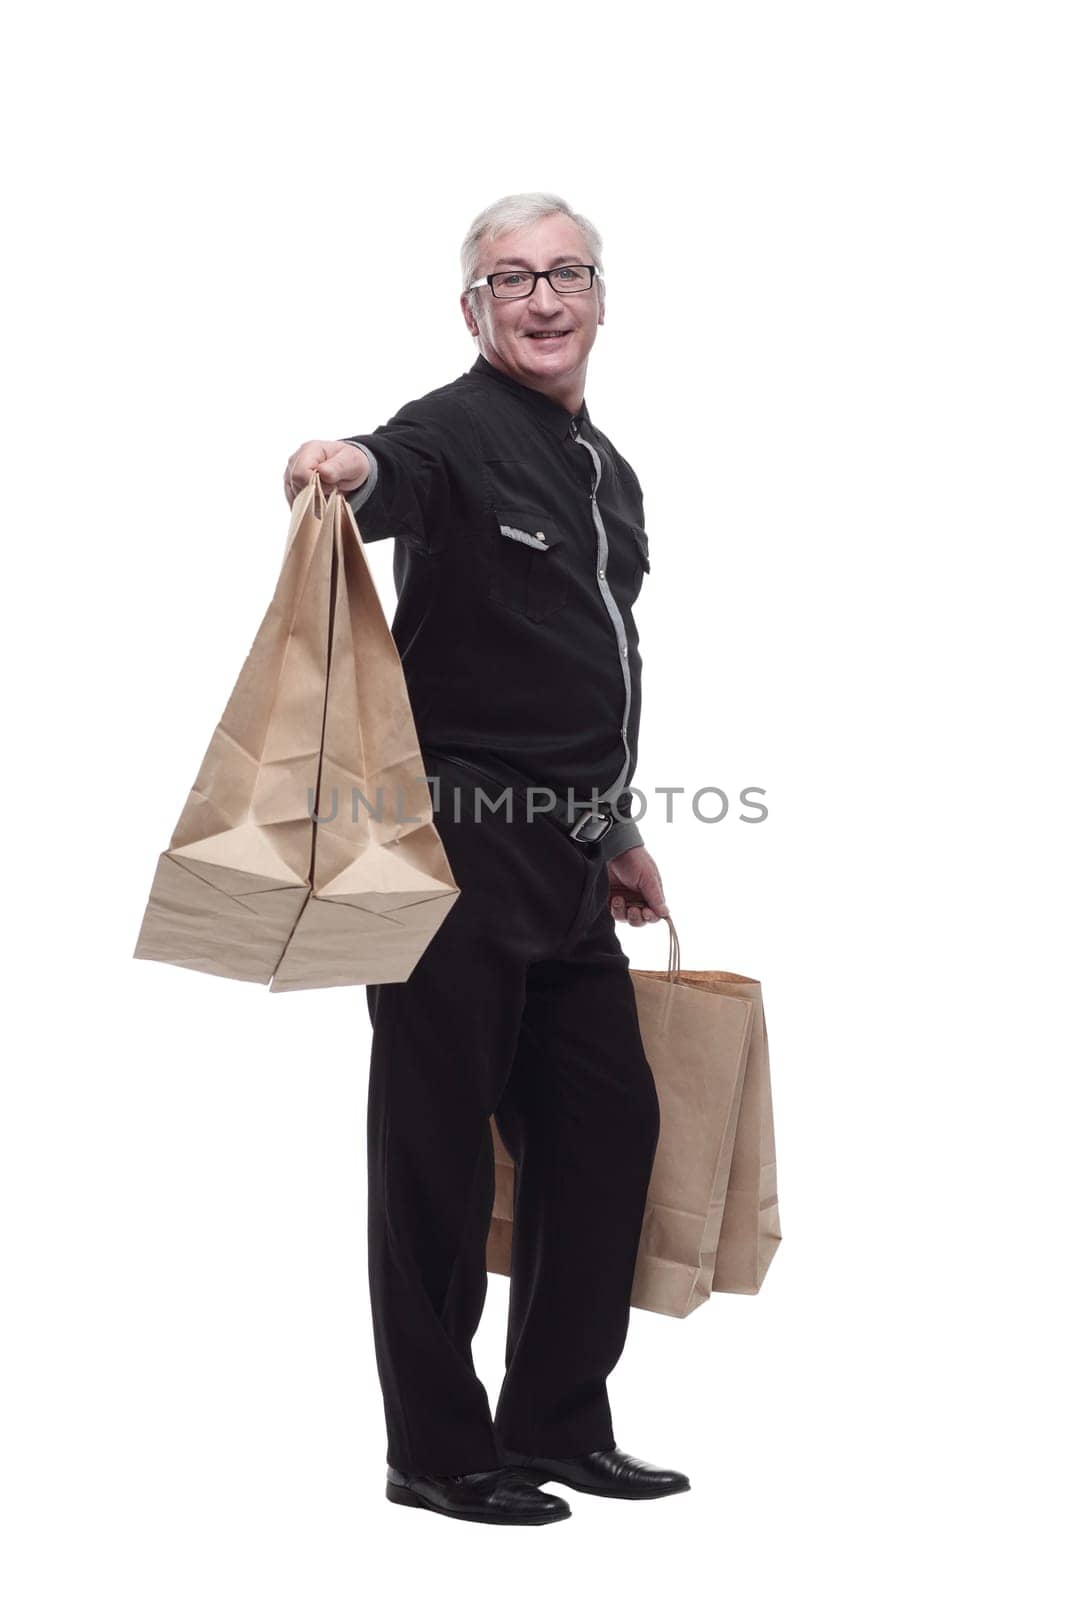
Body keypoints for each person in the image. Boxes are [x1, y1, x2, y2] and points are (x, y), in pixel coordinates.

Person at [283, 192, 689, 1526]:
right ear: (474, 309)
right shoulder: (450, 431)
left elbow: (600, 665)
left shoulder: (607, 470)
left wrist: (618, 829)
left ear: (602, 296)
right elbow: (388, 468)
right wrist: (341, 465)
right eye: (510, 278)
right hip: (451, 838)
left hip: (570, 855)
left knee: (606, 1129)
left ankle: (559, 1421)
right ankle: (439, 1451)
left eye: (567, 271)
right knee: (436, 1151)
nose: (543, 296)